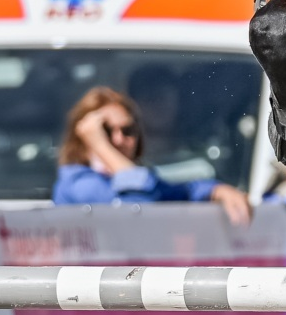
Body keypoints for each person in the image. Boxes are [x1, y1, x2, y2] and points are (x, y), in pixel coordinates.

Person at [53, 86, 251, 223]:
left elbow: (176, 192)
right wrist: (100, 146)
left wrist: (216, 190)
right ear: (84, 138)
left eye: (128, 130)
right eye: (105, 131)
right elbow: (138, 210)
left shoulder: (138, 177)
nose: (119, 140)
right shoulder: (76, 182)